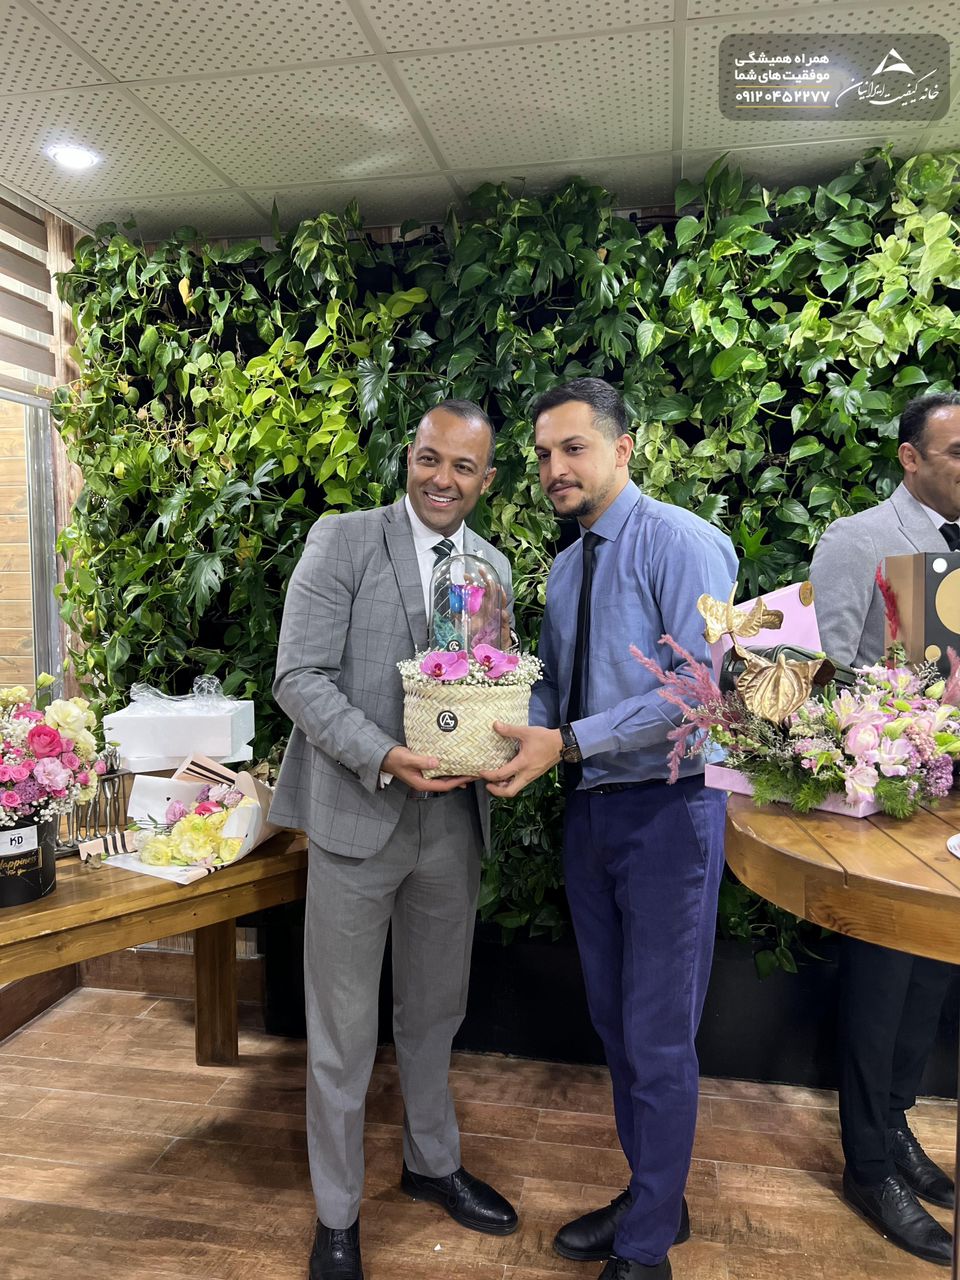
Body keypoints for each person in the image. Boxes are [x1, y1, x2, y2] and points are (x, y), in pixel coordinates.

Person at [482, 378, 738, 1280]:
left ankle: (645, 1250)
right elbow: (553, 687)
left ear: (624, 449)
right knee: (619, 1029)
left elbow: (701, 692)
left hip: (670, 812)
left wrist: (567, 742)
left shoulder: (684, 542)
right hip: (590, 812)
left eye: (574, 448)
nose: (555, 468)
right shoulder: (566, 568)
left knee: (659, 1037)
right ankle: (656, 1199)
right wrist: (499, 731)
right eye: (543, 455)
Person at [270, 400, 518, 1280]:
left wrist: (504, 748)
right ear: (408, 457)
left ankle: (431, 1164)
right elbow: (297, 677)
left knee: (434, 1012)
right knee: (341, 1032)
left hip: (452, 828)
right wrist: (382, 755)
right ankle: (336, 1216)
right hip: (356, 817)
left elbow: (492, 686)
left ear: (487, 479)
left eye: (463, 467)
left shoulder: (493, 567)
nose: (442, 479)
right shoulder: (342, 540)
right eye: (428, 459)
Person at [809, 391, 960, 1267]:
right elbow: (822, 674)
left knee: (935, 972)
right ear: (910, 456)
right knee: (880, 985)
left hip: (950, 807)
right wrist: (903, 716)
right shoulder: (859, 540)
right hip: (884, 807)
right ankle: (868, 1165)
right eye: (957, 451)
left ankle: (896, 1124)